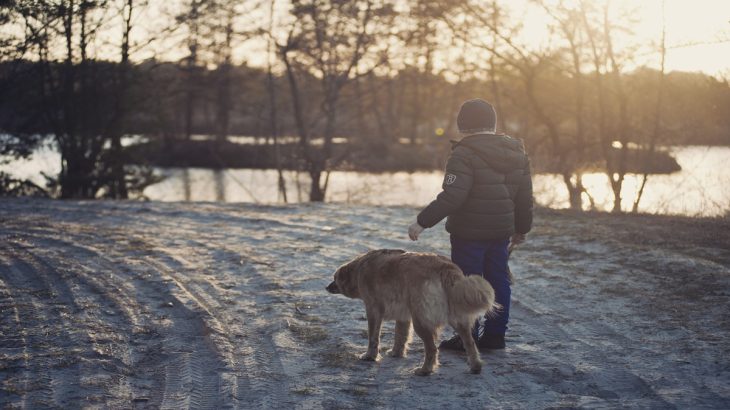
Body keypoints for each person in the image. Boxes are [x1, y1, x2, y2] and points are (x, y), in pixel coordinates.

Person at [408, 98, 533, 350]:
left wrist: (422, 221)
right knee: (499, 280)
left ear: (463, 125)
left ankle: (468, 337)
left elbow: (453, 196)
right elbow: (524, 197)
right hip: (500, 231)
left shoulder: (463, 154)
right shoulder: (517, 152)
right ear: (492, 123)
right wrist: (522, 228)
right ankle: (495, 337)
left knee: (466, 282)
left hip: (469, 234)